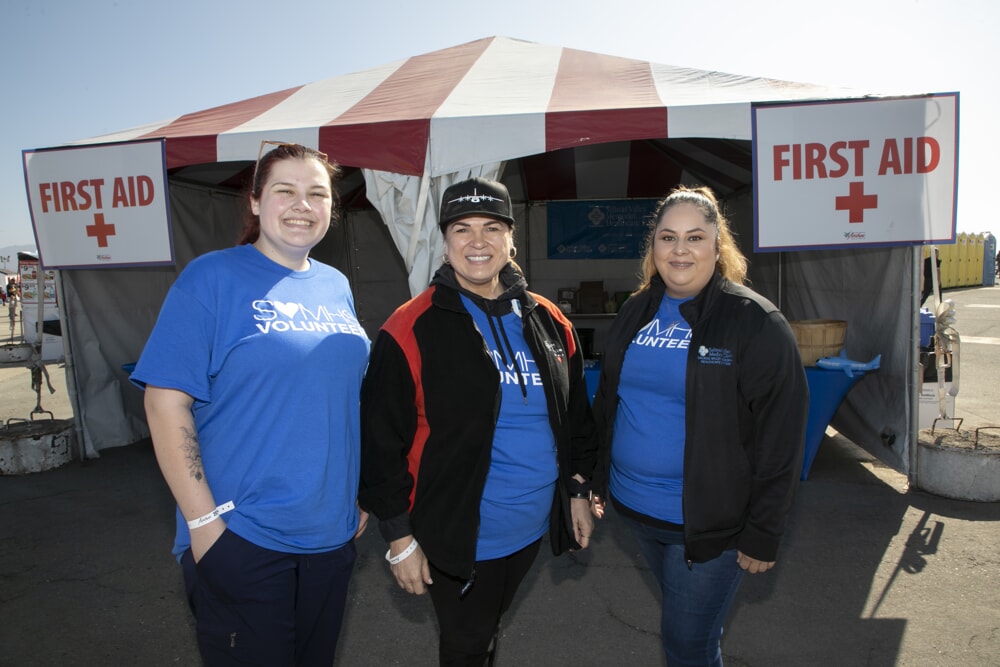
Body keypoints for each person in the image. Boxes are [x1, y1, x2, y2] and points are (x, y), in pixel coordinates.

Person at [130, 142, 370, 666]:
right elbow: (164, 404)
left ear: (332, 207)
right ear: (257, 202)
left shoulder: (336, 286)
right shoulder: (211, 278)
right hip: (245, 536)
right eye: (285, 191)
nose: (301, 205)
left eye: (317, 194)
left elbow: (343, 401)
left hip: (330, 538)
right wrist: (204, 525)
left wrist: (358, 496)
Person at [359, 177, 598, 666]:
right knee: (466, 643)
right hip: (458, 532)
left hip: (529, 526)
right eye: (462, 229)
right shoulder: (409, 326)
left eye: (492, 227)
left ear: (511, 238)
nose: (478, 242)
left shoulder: (549, 320)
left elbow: (575, 418)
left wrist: (576, 489)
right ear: (444, 243)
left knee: (486, 628)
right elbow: (380, 443)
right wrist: (400, 538)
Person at [591, 185, 808, 666]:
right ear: (654, 247)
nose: (680, 250)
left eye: (694, 237)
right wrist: (594, 480)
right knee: (687, 626)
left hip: (710, 525)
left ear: (718, 245)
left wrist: (763, 531)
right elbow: (609, 402)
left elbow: (782, 435)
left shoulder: (753, 321)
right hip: (639, 513)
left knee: (687, 643)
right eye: (668, 237)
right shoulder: (635, 310)